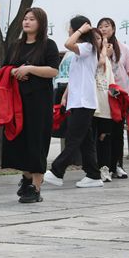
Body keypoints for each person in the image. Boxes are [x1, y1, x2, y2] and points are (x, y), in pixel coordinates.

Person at [1, 7, 60, 203]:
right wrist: (14, 71)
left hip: (39, 102)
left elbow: (53, 71)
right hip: (17, 102)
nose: (27, 22)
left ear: (41, 23)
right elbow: (4, 68)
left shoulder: (48, 45)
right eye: (25, 19)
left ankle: (35, 187)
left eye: (32, 19)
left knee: (37, 141)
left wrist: (30, 69)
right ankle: (26, 178)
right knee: (20, 140)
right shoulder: (15, 46)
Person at [44, 15, 103, 188]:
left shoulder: (87, 47)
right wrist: (66, 96)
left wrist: (80, 30)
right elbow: (77, 77)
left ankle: (57, 171)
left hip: (84, 101)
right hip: (79, 101)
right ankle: (93, 175)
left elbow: (68, 44)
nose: (69, 30)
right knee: (85, 141)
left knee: (73, 139)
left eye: (71, 27)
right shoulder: (84, 49)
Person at [97, 18, 129, 179]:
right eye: (100, 26)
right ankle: (104, 167)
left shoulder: (124, 48)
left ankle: (117, 165)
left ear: (114, 28)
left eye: (106, 26)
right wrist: (105, 53)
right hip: (103, 95)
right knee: (104, 132)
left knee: (117, 131)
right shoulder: (96, 49)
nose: (103, 29)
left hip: (120, 96)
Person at [92, 28, 115, 182]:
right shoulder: (89, 56)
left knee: (104, 137)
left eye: (99, 38)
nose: (97, 41)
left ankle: (105, 168)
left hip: (105, 105)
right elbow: (99, 62)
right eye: (94, 38)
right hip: (91, 105)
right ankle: (92, 171)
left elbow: (111, 82)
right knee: (91, 139)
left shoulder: (106, 59)